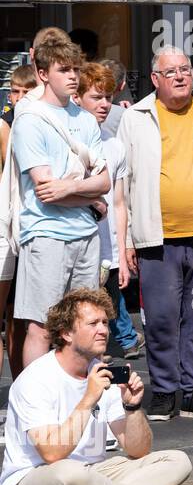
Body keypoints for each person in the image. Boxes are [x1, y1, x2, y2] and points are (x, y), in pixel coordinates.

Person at [0, 288, 193, 485]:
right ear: (66, 333)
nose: (103, 330)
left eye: (104, 323)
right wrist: (88, 399)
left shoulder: (101, 372)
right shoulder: (37, 378)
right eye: (93, 324)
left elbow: (138, 450)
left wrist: (132, 407)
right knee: (70, 474)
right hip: (32, 479)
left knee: (178, 460)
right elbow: (52, 454)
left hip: (94, 472)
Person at [119, 46, 193, 422]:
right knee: (162, 318)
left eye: (185, 69)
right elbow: (124, 181)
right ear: (155, 79)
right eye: (171, 72)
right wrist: (126, 241)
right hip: (158, 239)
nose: (180, 76)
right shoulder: (136, 118)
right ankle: (166, 391)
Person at [8, 37, 108, 372]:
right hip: (46, 235)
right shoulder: (30, 119)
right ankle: (34, 405)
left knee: (87, 324)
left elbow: (105, 180)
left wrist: (75, 188)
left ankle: (84, 397)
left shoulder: (85, 119)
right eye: (63, 69)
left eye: (76, 69)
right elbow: (44, 189)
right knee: (41, 325)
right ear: (42, 73)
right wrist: (90, 195)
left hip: (85, 235)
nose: (73, 76)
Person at [75, 63, 142, 360]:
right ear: (78, 98)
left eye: (107, 98)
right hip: (77, 243)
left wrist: (123, 253)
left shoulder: (114, 145)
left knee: (103, 315)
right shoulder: (71, 140)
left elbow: (119, 202)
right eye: (96, 97)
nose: (104, 105)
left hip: (108, 249)